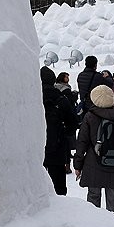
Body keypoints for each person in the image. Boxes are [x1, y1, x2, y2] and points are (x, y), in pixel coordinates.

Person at [73, 85, 114, 214]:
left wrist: (77, 165)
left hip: (94, 163)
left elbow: (82, 142)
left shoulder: (90, 116)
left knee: (93, 198)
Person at [40, 67, 75, 195]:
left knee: (37, 185)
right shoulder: (61, 98)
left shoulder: (31, 98)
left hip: (36, 148)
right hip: (57, 146)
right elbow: (72, 123)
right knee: (58, 187)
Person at [55, 70, 80, 173]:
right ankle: (67, 164)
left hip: (58, 119)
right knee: (67, 142)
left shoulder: (55, 87)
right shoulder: (65, 89)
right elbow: (70, 102)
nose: (68, 79)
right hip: (67, 119)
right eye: (66, 77)